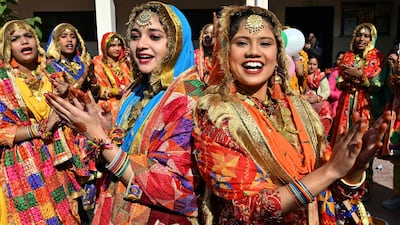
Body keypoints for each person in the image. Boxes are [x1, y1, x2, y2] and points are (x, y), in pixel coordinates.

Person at [191, 5, 390, 224]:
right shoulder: (215, 115)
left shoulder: (300, 110)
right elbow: (250, 208)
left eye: (265, 43)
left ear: (278, 55)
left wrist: (354, 167)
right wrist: (331, 171)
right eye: (241, 43)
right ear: (226, 52)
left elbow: (332, 191)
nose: (253, 51)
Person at [44, 1, 206, 224]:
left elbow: (177, 188)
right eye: (136, 35)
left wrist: (98, 137)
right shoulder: (137, 88)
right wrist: (104, 128)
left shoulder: (190, 97)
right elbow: (128, 145)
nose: (141, 44)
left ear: (177, 41)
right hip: (117, 206)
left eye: (155, 37)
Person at [0, 20, 90, 224]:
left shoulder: (52, 74)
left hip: (59, 161)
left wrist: (66, 95)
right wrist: (40, 128)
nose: (24, 41)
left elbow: (78, 116)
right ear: (7, 47)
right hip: (24, 165)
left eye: (28, 36)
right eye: (15, 39)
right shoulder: (3, 81)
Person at [330, 23, 385, 146]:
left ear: (372, 39)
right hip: (346, 102)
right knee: (343, 137)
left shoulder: (378, 58)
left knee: (362, 139)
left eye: (366, 36)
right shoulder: (347, 57)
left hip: (366, 104)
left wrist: (360, 76)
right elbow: (339, 82)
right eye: (359, 35)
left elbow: (377, 85)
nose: (361, 39)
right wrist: (346, 81)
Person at [92, 32, 133, 123]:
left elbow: (134, 82)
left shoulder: (124, 63)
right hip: (106, 107)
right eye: (113, 45)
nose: (117, 48)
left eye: (119, 45)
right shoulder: (97, 63)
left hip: (126, 105)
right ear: (105, 47)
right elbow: (95, 89)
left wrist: (131, 62)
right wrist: (115, 91)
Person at [45, 23, 93, 91]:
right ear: (56, 41)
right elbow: (63, 92)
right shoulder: (50, 66)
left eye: (73, 37)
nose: (69, 40)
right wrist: (83, 77)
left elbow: (94, 92)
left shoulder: (83, 63)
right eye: (64, 36)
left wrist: (92, 78)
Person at [302, 56, 333, 135]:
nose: (311, 67)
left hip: (317, 101)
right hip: (304, 101)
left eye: (314, 64)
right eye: (309, 64)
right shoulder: (302, 75)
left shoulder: (321, 76)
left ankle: (322, 135)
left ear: (317, 65)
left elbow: (326, 92)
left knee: (326, 106)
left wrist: (317, 98)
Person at [327, 51, 345, 119]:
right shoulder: (334, 74)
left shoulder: (351, 74)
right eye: (339, 59)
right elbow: (329, 91)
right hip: (337, 101)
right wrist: (340, 96)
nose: (341, 61)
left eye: (343, 59)